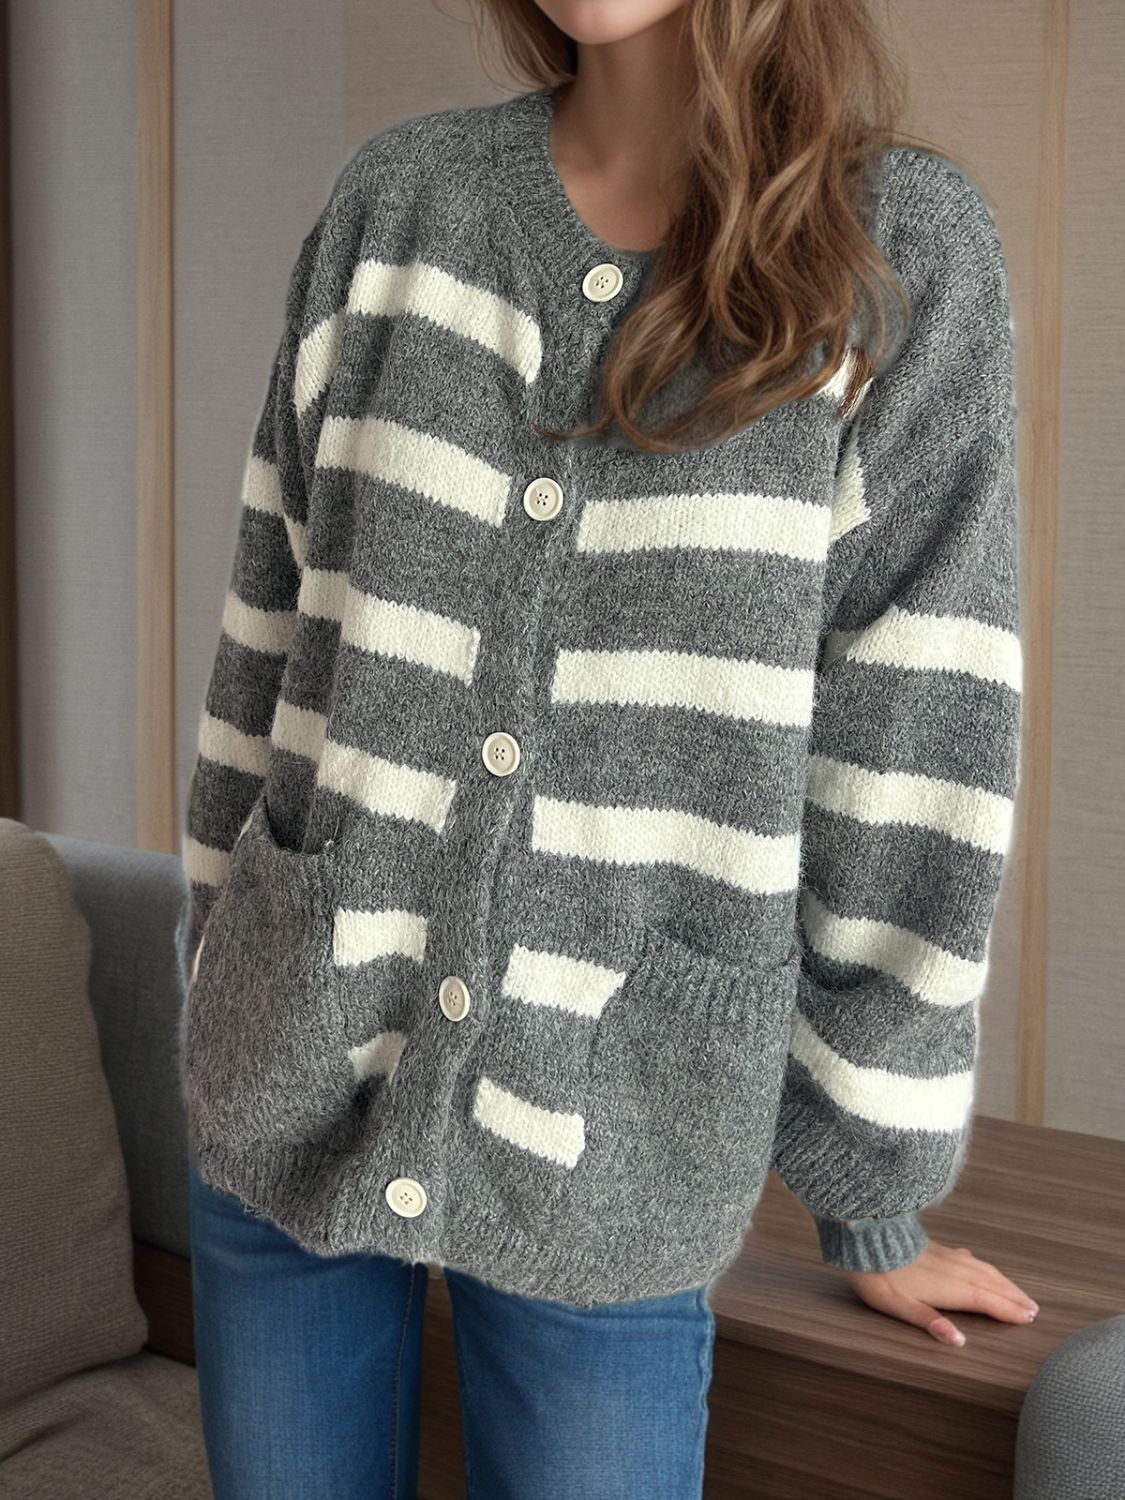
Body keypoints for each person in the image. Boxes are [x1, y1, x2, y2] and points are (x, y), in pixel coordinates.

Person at [179, 1, 1037, 1495]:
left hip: (623, 1132)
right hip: (282, 1069)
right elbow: (269, 632)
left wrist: (868, 1190)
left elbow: (916, 748)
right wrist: (212, 975)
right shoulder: (401, 204)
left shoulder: (894, 257)